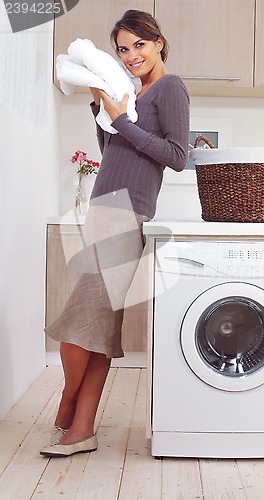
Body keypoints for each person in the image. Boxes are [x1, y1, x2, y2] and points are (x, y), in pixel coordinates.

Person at [40, 9, 190, 458]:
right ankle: (81, 428)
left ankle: (67, 404)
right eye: (122, 49)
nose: (130, 56)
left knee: (79, 320)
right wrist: (103, 112)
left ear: (158, 42)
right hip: (105, 208)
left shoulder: (170, 88)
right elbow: (114, 151)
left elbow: (177, 155)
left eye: (138, 45)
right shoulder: (127, 90)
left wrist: (123, 119)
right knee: (101, 327)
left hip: (129, 212)